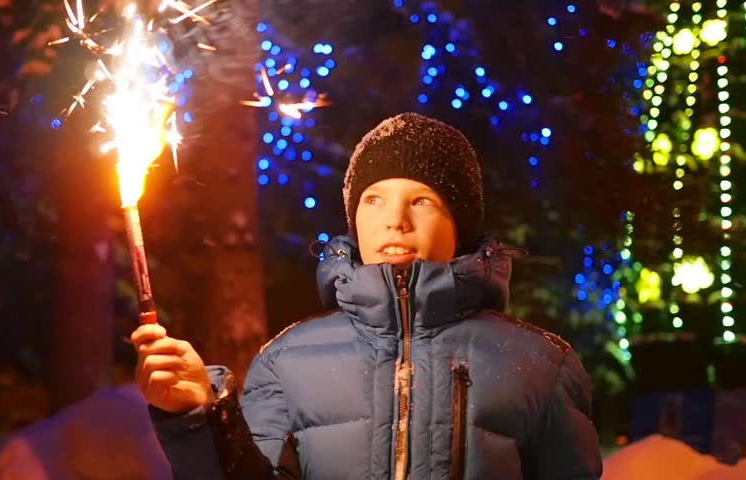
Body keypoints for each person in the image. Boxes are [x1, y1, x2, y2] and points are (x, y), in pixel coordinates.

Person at [131, 112, 603, 479]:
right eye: (373, 199)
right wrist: (202, 417)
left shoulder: (542, 365)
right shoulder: (286, 361)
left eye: (422, 200)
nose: (394, 219)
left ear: (459, 224)